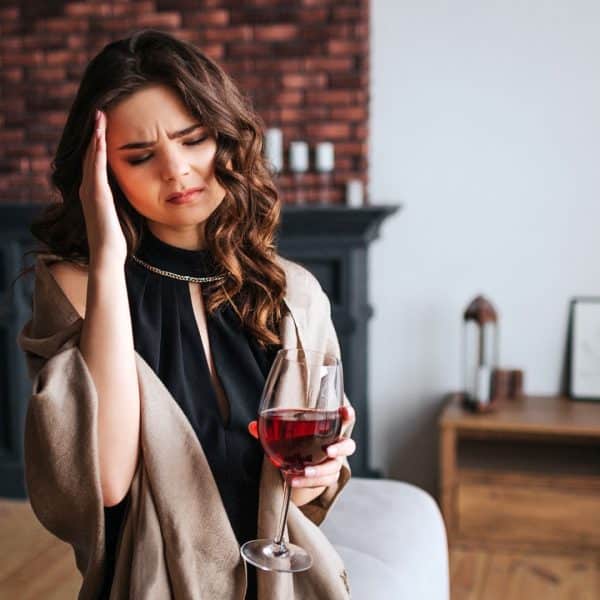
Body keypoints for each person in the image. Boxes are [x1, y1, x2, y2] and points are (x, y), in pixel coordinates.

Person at [17, 29, 355, 599]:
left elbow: (290, 500)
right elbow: (104, 481)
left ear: (226, 137)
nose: (175, 170)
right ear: (103, 172)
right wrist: (106, 258)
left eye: (193, 139)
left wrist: (314, 474)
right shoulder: (79, 287)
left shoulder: (293, 294)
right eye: (140, 156)